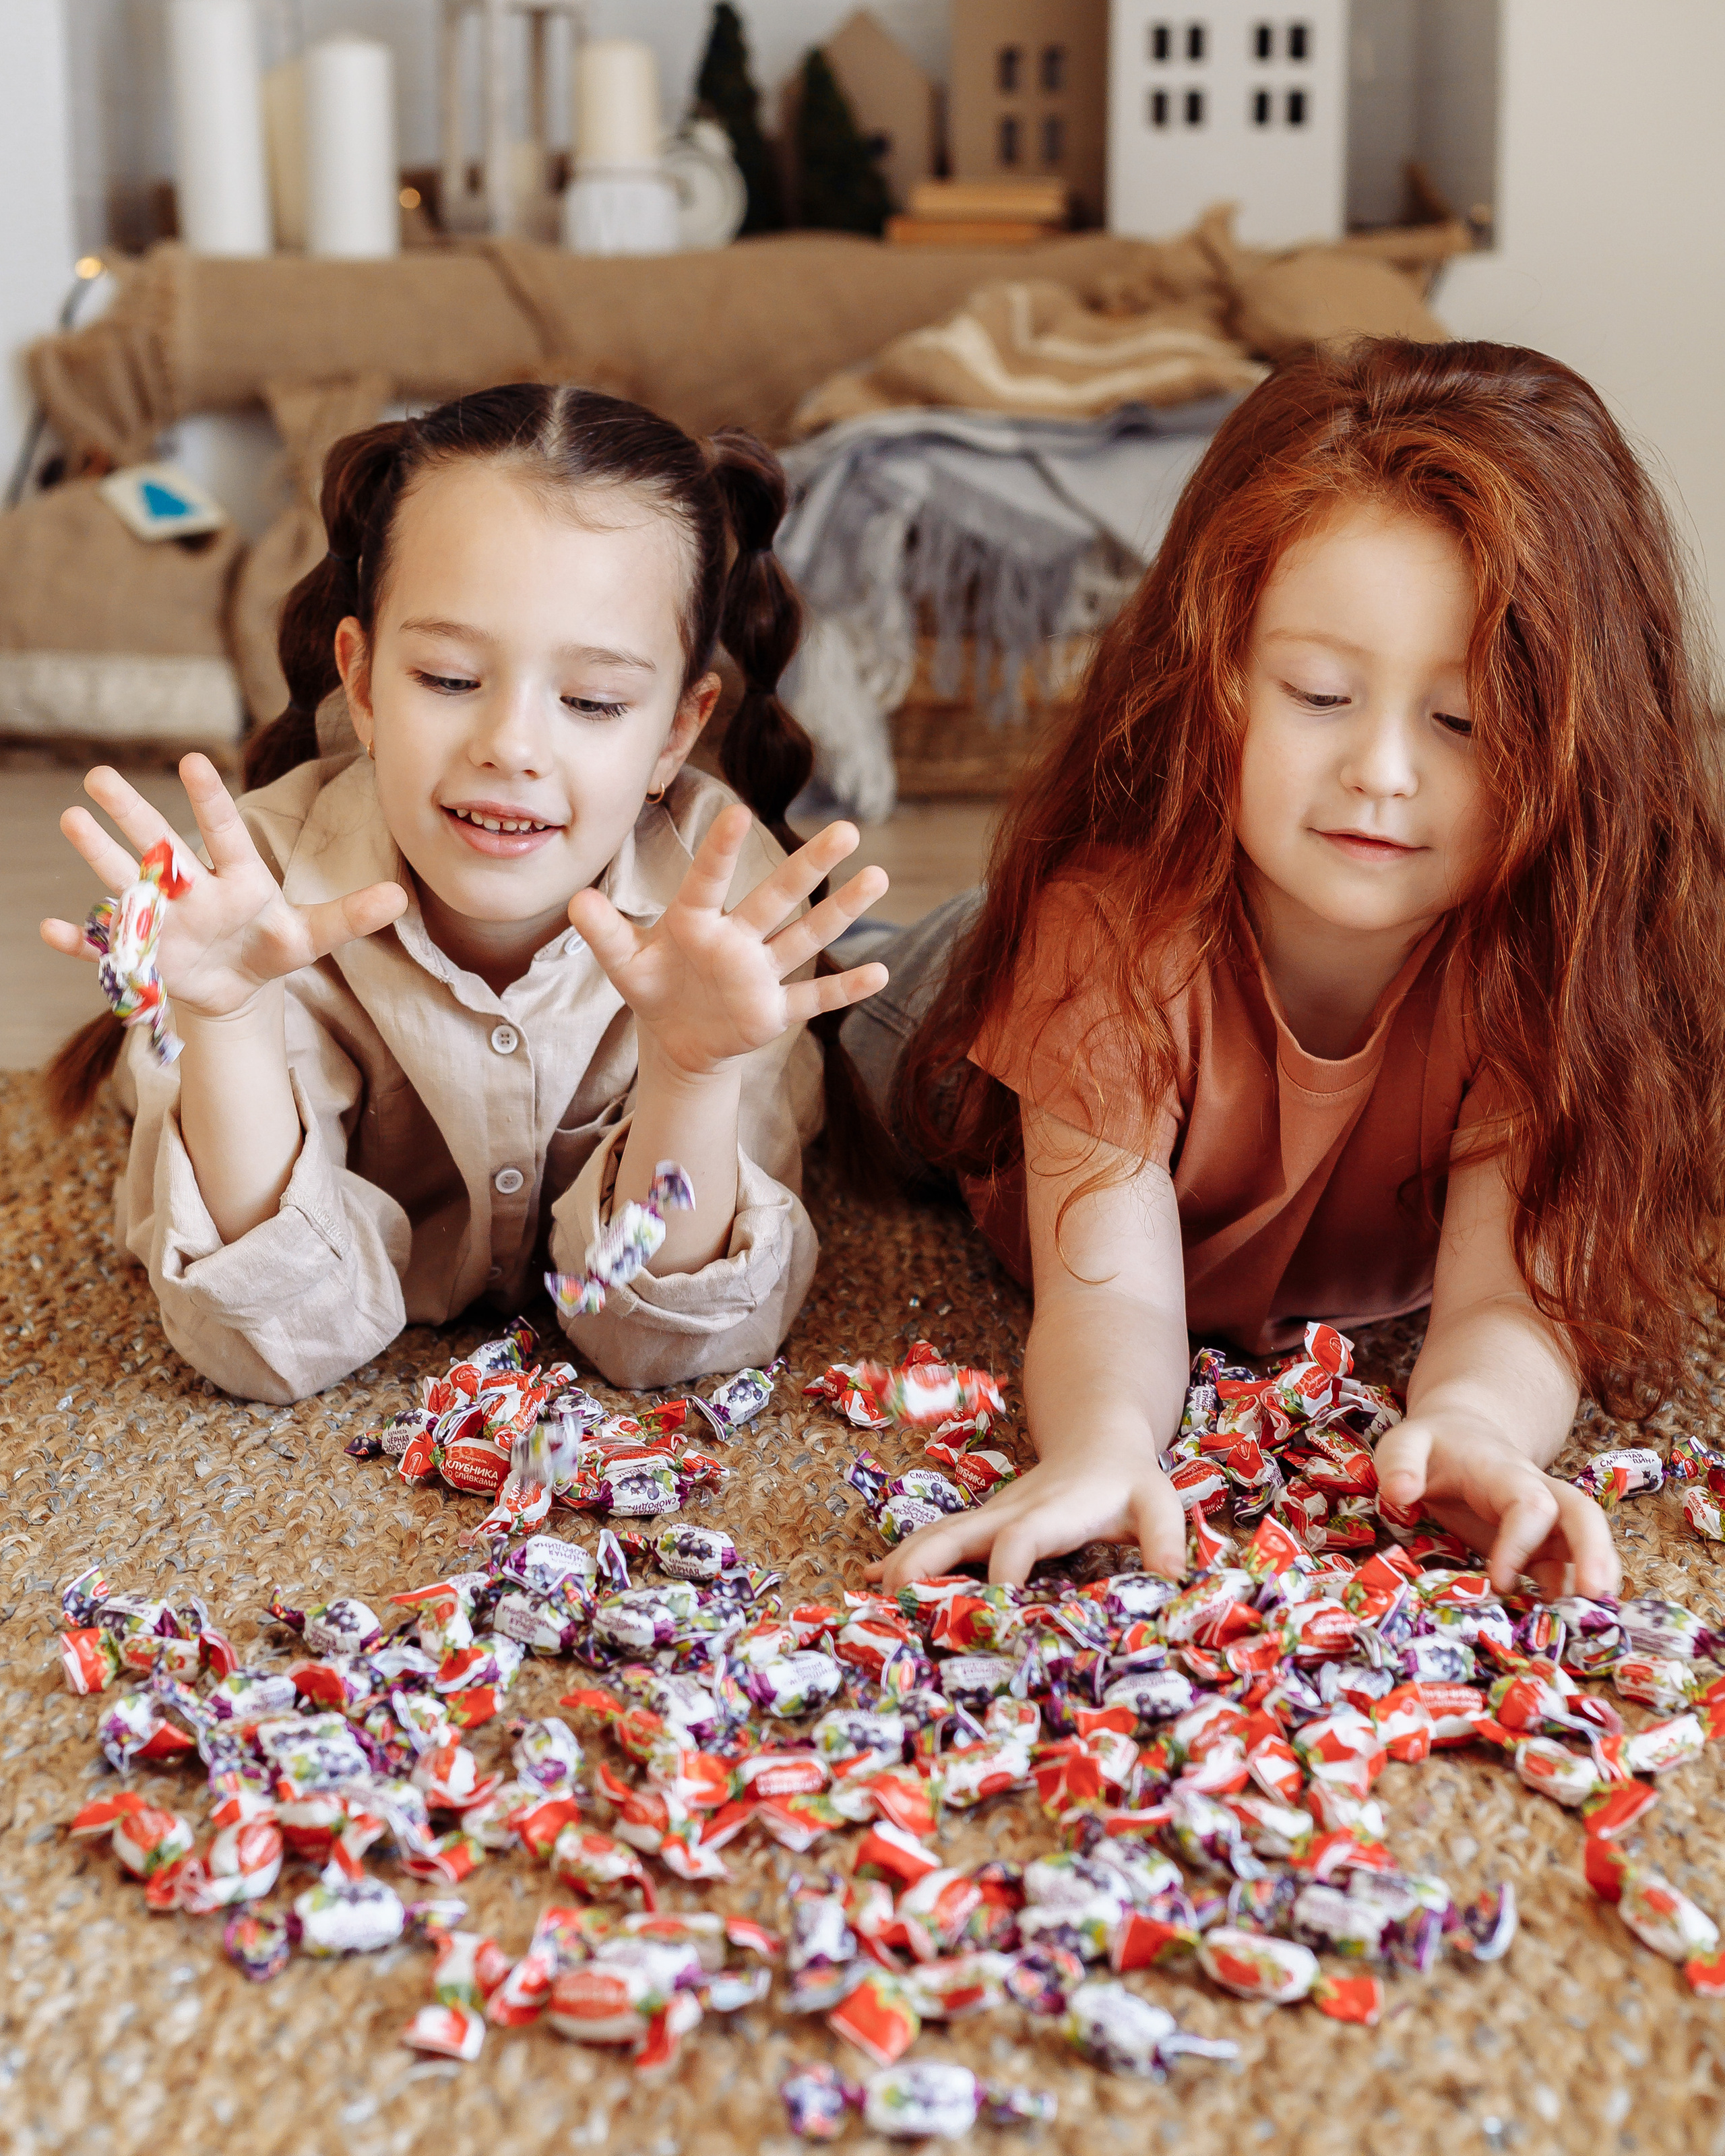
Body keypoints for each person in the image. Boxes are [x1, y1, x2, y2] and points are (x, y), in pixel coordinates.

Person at [843, 337, 1725, 1601]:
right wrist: (1099, 1449)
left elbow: (1504, 1303)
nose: (1383, 771)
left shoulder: (1557, 965)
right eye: (1318, 694)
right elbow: (1118, 1311)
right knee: (814, 992)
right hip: (952, 1004)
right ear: (1213, 682)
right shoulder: (1106, 934)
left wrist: (1475, 1425)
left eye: (1463, 721)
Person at [41, 383, 889, 1403]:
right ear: (361, 685)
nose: (512, 748)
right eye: (448, 679)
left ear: (675, 730)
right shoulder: (247, 904)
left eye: (591, 701)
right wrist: (225, 1023)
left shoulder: (729, 917)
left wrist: (690, 1075)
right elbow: (274, 1344)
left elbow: (671, 1349)